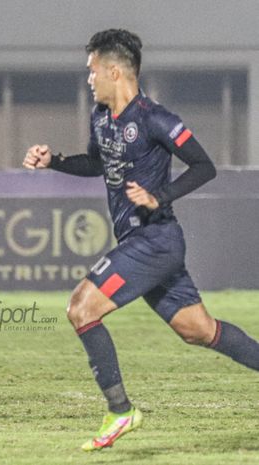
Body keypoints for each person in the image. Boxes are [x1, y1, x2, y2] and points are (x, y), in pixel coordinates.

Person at [23, 28, 259, 451]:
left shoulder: (155, 118)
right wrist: (54, 162)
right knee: (198, 329)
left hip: (154, 240)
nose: (89, 79)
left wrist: (158, 196)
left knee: (81, 308)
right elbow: (97, 163)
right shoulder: (101, 117)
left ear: (114, 71)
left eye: (93, 71)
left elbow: (204, 166)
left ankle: (120, 410)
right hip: (146, 245)